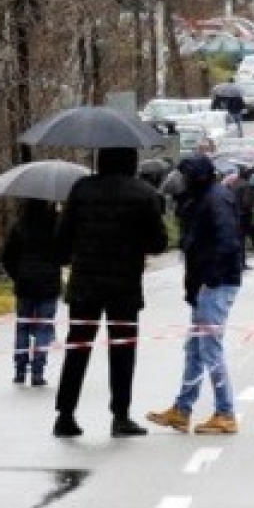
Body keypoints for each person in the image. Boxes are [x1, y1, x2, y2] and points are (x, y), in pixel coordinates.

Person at [53, 147, 169, 439]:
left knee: (77, 349)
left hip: (85, 283)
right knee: (122, 351)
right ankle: (120, 415)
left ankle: (65, 414)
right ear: (131, 161)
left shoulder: (81, 189)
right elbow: (158, 242)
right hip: (124, 283)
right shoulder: (143, 193)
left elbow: (61, 238)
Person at [147, 155, 244, 436]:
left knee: (209, 348)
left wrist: (210, 279)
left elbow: (227, 242)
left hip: (216, 283)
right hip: (205, 283)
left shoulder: (216, 198)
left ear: (196, 177)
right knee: (194, 349)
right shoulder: (202, 198)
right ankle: (182, 409)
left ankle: (225, 413)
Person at [0, 198, 63, 388]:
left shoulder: (20, 226)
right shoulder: (56, 225)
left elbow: (6, 256)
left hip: (25, 283)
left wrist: (16, 274)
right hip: (48, 283)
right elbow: (65, 253)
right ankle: (37, 371)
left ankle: (19, 369)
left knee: (23, 327)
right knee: (44, 327)